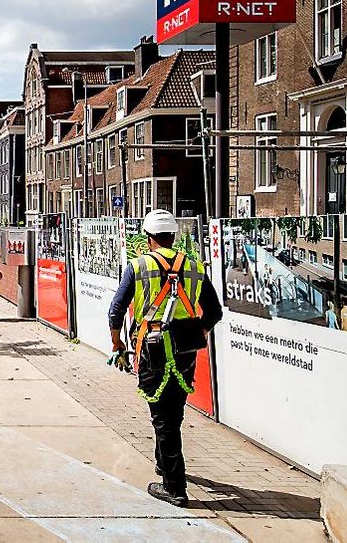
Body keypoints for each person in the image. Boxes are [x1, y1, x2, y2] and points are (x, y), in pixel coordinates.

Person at [107, 209, 222, 507]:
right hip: (185, 349)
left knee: (162, 419)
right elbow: (214, 312)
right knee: (173, 412)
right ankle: (163, 463)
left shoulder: (138, 266)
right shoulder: (195, 266)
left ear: (148, 238)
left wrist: (117, 344)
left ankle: (175, 487)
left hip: (152, 349)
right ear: (174, 236)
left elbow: (116, 310)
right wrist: (200, 330)